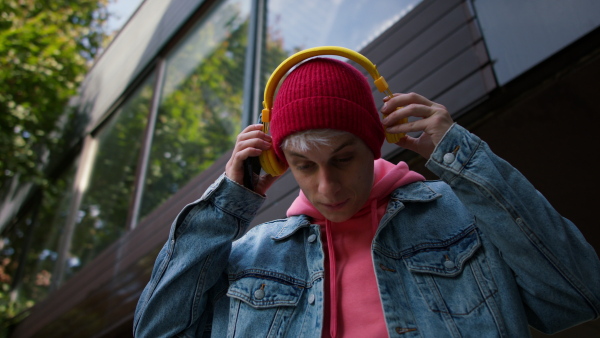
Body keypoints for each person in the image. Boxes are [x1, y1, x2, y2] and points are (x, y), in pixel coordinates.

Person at [133, 57, 600, 337]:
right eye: (304, 166)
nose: (326, 188)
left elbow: (579, 295)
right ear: (279, 164)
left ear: (375, 144)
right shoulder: (247, 258)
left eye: (342, 158)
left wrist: (465, 156)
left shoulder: (465, 214)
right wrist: (223, 207)